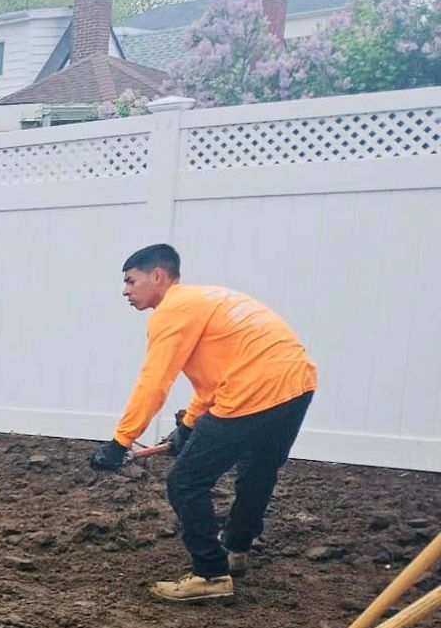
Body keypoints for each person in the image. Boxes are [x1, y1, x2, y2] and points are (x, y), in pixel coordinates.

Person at [88, 244, 317, 604]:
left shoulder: (172, 311)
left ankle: (210, 574)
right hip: (296, 384)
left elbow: (155, 381)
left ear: (158, 276)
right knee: (258, 469)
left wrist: (120, 443)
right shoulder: (204, 300)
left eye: (131, 281)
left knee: (185, 482)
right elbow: (216, 378)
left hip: (254, 388)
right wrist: (189, 427)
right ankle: (236, 550)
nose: (125, 291)